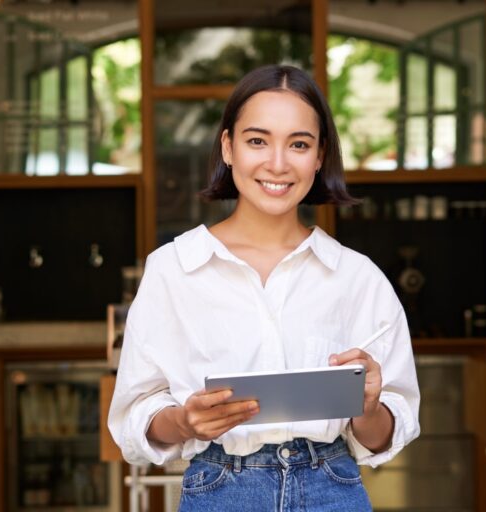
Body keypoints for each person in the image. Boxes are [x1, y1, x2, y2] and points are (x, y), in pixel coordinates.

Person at [108, 64, 420, 511]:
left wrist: (368, 408)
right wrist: (184, 421)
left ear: (319, 156)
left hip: (332, 489)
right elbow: (134, 422)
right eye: (257, 140)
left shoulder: (357, 277)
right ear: (228, 146)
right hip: (218, 489)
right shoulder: (173, 270)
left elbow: (390, 430)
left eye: (298, 144)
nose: (277, 163)